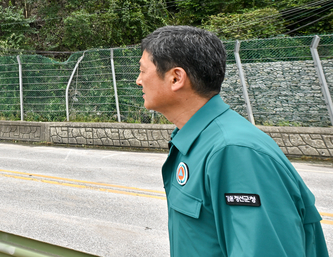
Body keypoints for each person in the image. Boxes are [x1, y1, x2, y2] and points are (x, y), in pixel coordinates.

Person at [136, 25, 329, 257]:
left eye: (142, 71)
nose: (138, 81)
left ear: (176, 78)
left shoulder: (233, 151)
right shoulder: (200, 141)